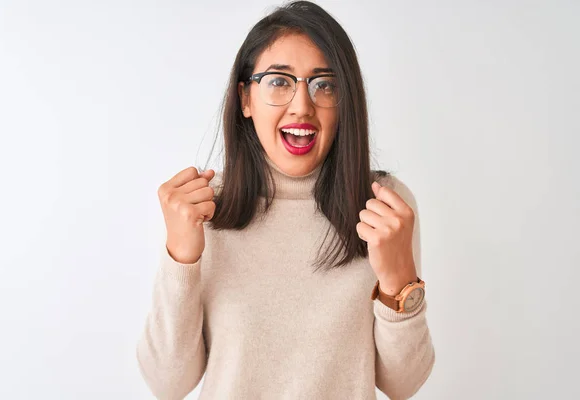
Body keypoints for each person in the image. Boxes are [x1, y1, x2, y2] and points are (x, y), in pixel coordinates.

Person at [136, 1, 435, 399]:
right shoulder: (204, 209)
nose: (302, 106)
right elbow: (167, 383)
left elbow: (403, 384)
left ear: (345, 102)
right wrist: (181, 258)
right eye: (279, 81)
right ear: (245, 98)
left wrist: (399, 282)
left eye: (324, 84)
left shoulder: (384, 207)